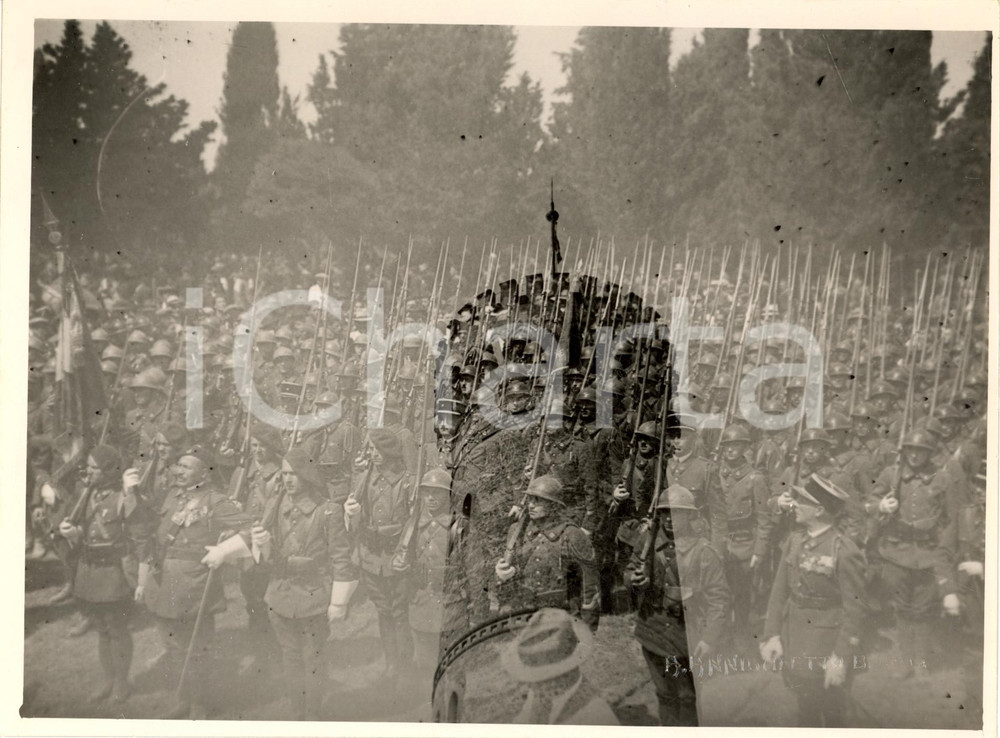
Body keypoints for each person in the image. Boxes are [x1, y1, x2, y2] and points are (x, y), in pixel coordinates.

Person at [140, 445, 253, 719]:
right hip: (164, 581)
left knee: (197, 648)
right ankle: (184, 698)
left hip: (194, 585)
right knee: (174, 646)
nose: (178, 470)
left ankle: (200, 704)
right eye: (178, 465)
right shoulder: (171, 496)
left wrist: (224, 551)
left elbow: (253, 527)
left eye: (186, 467)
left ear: (204, 472)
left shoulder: (216, 502)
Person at [249, 447, 356, 720]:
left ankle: (313, 713)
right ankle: (297, 711)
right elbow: (265, 552)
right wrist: (262, 546)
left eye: (294, 474)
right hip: (280, 593)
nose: (288, 480)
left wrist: (338, 602)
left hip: (313, 597)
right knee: (290, 657)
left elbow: (341, 559)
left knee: (313, 659)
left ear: (307, 476)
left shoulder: (328, 511)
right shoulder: (276, 504)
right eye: (284, 474)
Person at [760, 473, 867, 727]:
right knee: (805, 709)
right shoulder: (795, 541)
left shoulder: (843, 550)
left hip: (826, 645)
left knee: (832, 714)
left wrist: (840, 657)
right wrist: (771, 635)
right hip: (794, 638)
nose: (794, 504)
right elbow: (778, 593)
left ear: (819, 510)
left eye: (802, 500)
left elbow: (855, 610)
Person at [625, 486, 730, 726]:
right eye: (665, 513)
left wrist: (709, 639)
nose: (670, 519)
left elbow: (719, 600)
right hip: (651, 630)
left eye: (678, 513)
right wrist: (634, 579)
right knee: (664, 694)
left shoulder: (704, 552)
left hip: (686, 636)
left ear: (690, 516)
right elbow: (630, 569)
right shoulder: (647, 542)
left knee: (687, 696)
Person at [57, 445, 150, 704]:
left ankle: (122, 682)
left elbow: (140, 536)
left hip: (113, 573)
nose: (89, 471)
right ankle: (108, 679)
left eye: (95, 467)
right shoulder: (86, 494)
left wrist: (141, 578)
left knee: (116, 628)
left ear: (109, 470)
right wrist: (72, 533)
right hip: (89, 571)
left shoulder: (125, 496)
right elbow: (82, 529)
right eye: (88, 466)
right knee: (101, 629)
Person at [867, 430, 961, 681]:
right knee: (901, 608)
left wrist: (945, 552)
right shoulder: (891, 474)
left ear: (930, 453)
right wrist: (881, 506)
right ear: (904, 450)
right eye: (910, 449)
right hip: (896, 552)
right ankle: (904, 660)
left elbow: (952, 519)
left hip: (928, 553)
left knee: (923, 609)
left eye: (920, 450)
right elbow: (868, 502)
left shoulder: (942, 479)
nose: (915, 455)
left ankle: (920, 661)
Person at [344, 428, 416, 685]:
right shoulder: (364, 477)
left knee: (399, 612)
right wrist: (352, 512)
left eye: (377, 449)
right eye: (371, 449)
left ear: (389, 450)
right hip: (371, 555)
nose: (373, 454)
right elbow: (356, 512)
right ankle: (391, 664)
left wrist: (404, 551)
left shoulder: (407, 480)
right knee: (383, 611)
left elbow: (412, 518)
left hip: (396, 554)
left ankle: (405, 667)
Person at [494, 475, 600, 631]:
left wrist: (588, 629)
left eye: (538, 500)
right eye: (530, 500)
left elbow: (590, 586)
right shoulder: (517, 532)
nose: (531, 505)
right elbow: (508, 577)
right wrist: (501, 573)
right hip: (524, 616)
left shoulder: (572, 535)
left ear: (554, 505)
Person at [500, 608, 618, 725]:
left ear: (559, 676)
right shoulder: (542, 697)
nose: (531, 685)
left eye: (538, 679)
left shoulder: (595, 716)